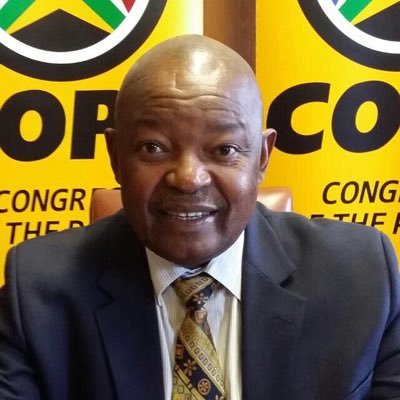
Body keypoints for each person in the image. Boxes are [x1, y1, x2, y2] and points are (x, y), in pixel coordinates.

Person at [0, 34, 399, 400]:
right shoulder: (37, 291)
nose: (188, 178)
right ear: (115, 157)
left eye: (224, 150)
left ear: (262, 158)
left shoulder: (362, 277)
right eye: (154, 147)